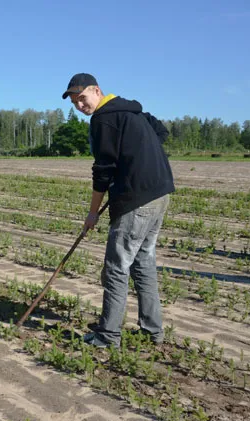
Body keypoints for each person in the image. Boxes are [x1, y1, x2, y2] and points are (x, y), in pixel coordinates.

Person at [62, 73, 175, 348]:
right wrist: (136, 160)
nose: (79, 106)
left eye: (82, 98)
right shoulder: (132, 111)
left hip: (136, 200)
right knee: (143, 262)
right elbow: (160, 131)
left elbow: (103, 171)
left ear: (97, 91)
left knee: (116, 266)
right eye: (75, 102)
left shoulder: (103, 119)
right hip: (160, 193)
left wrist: (92, 213)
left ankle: (107, 335)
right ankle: (152, 330)